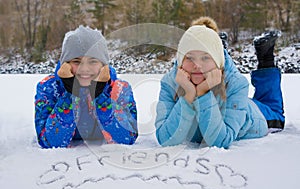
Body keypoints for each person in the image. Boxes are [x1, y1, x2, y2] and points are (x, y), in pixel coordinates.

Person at [155, 18, 285, 148]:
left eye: (205, 57)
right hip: (233, 102)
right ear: (180, 60)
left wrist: (202, 94)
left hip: (253, 114)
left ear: (217, 61)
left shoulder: (236, 84)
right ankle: (218, 47)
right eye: (189, 58)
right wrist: (188, 95)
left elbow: (220, 141)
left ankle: (266, 59)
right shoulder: (170, 83)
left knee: (275, 112)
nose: (197, 65)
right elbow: (165, 139)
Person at [34, 26, 138, 148]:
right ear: (65, 64)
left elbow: (127, 138)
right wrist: (71, 92)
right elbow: (49, 142)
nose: (84, 69)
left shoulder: (120, 89)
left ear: (103, 65)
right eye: (76, 62)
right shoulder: (48, 88)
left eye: (93, 61)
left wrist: (99, 96)